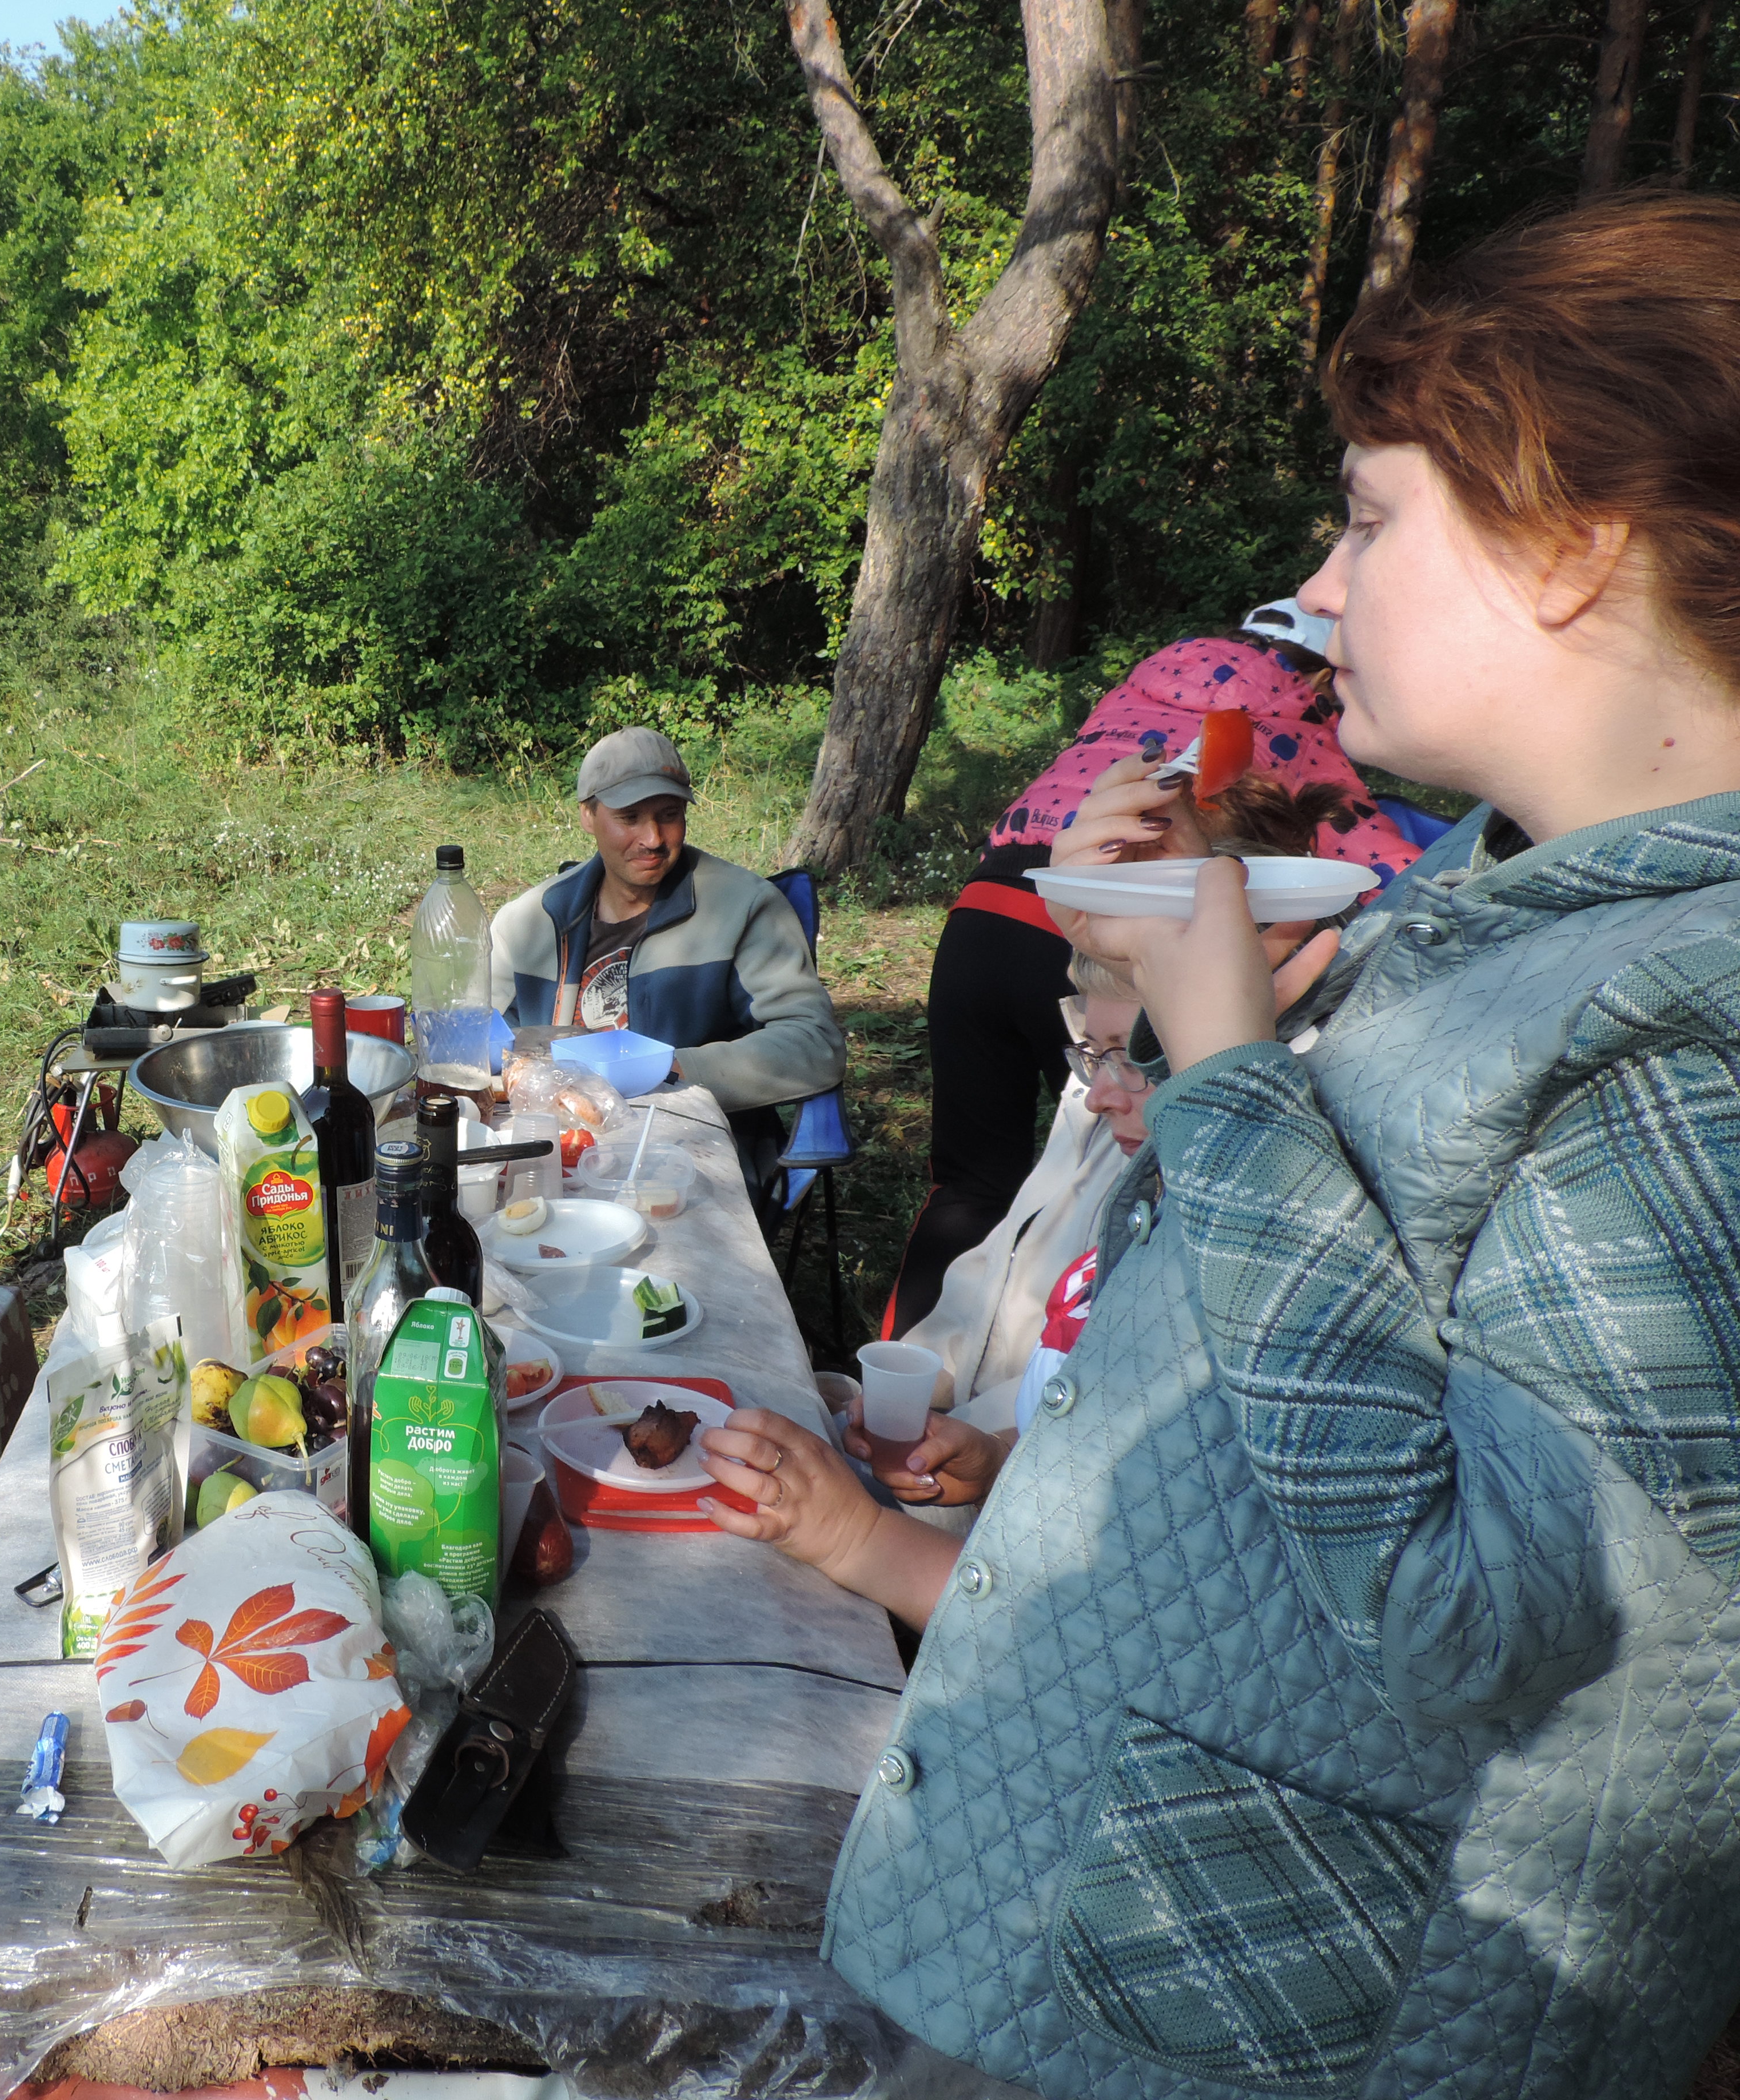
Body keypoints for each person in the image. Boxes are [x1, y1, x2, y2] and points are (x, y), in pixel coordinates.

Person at [711, 192, 1740, 2098]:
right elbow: (1325, 1312)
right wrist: (1188, 962)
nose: (1320, 593)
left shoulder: (1699, 1033)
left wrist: (1229, 1060)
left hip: (1275, 2023)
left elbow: (1463, 1610)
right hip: (1123, 1957)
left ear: (1575, 547)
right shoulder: (1496, 898)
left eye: (1367, 520)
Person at [882, 630, 1425, 1333]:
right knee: (1120, 1116)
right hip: (1099, 916)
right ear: (1313, 673)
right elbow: (1391, 869)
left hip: (990, 908)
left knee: (974, 1179)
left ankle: (906, 1345)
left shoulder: (1137, 686)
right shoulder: (1292, 711)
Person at [490, 725, 844, 1212]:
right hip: (553, 1144)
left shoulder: (743, 908)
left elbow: (815, 1045)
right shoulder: (530, 920)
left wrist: (673, 1069)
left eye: (669, 816)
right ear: (588, 816)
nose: (653, 838)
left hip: (684, 1154)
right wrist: (523, 1075)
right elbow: (476, 1040)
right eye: (629, 818)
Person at [858, 952, 1146, 1509]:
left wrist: (990, 1454)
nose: (1097, 1094)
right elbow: (1009, 1256)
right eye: (1093, 1055)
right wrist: (924, 1375)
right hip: (982, 1450)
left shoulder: (1180, 1201)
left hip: (1025, 1493)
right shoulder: (1101, 1088)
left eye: (1131, 1057)